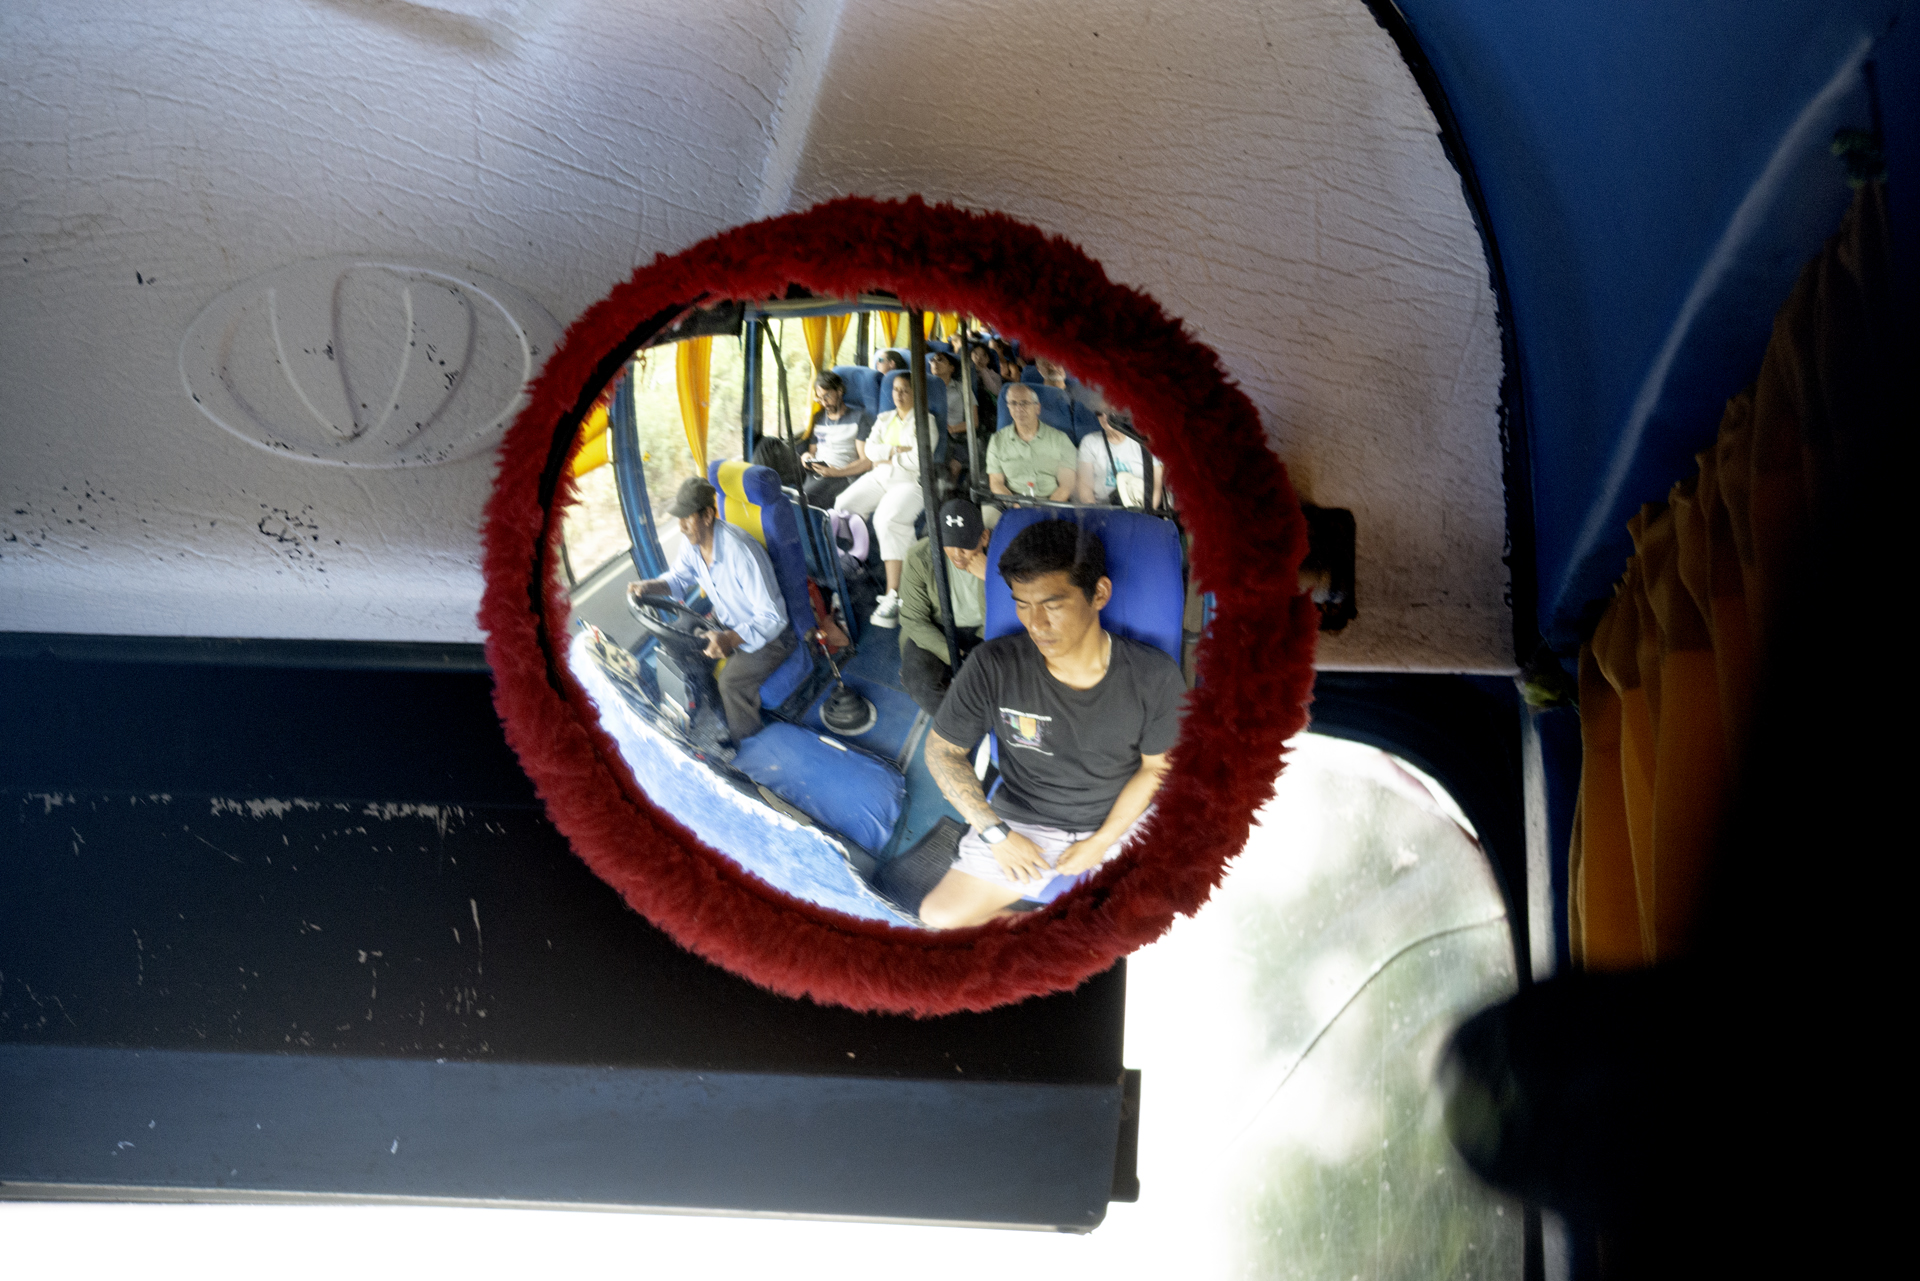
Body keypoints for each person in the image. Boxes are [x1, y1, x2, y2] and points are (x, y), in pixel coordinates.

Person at [918, 519, 1186, 928]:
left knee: (1159, 924)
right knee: (939, 918)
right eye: (1022, 605)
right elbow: (942, 751)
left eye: (1053, 605)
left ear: (1099, 594)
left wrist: (1102, 840)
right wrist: (996, 833)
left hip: (1122, 817)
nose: (1036, 623)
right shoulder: (994, 665)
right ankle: (1054, 929)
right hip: (1026, 819)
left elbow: (1156, 768)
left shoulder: (1154, 675)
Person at [627, 477, 796, 744]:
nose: (681, 527)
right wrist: (649, 586)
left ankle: (749, 744)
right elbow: (678, 578)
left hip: (771, 637)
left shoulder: (740, 552)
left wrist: (730, 639)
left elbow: (773, 617)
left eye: (687, 518)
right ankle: (727, 721)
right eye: (679, 519)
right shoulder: (692, 546)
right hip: (726, 619)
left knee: (730, 682)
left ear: (707, 515)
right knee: (683, 643)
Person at [832, 372, 926, 627]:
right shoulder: (884, 418)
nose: (899, 394)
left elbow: (918, 460)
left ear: (915, 393)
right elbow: (870, 452)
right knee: (842, 505)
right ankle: (856, 562)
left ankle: (894, 593)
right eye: (895, 389)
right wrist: (894, 451)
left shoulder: (924, 420)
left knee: (886, 519)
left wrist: (886, 456)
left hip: (910, 482)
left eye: (905, 389)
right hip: (880, 476)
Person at [897, 498, 990, 716]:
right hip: (937, 629)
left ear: (984, 537)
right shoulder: (920, 557)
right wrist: (955, 656)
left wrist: (992, 576)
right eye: (949, 544)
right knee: (919, 685)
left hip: (984, 632)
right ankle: (960, 725)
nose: (957, 554)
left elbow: (1022, 607)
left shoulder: (1001, 557)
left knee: (995, 683)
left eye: (965, 544)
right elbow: (913, 619)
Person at [987, 384, 1077, 503]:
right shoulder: (997, 441)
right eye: (1013, 403)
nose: (1018, 408)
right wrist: (1014, 505)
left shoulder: (1060, 439)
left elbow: (1067, 485)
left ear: (1037, 408)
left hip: (1052, 503)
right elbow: (996, 483)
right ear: (1008, 407)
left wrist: (1046, 508)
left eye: (1024, 403)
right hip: (1011, 503)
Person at [801, 370, 874, 506]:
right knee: (769, 445)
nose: (824, 403)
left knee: (805, 497)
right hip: (816, 469)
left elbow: (866, 461)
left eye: (827, 396)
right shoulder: (818, 419)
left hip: (840, 475)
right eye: (820, 398)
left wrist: (836, 472)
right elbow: (812, 452)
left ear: (839, 391)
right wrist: (806, 457)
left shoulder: (859, 419)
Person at [1076, 402, 1162, 508]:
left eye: (1110, 413)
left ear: (1123, 414)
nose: (1104, 417)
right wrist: (1095, 514)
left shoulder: (1144, 442)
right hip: (1103, 509)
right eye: (1099, 413)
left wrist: (1148, 512)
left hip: (1140, 508)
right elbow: (1085, 487)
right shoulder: (1089, 442)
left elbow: (1156, 485)